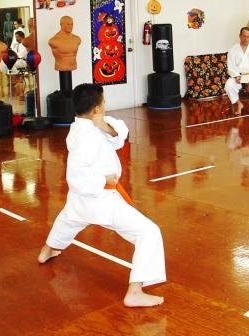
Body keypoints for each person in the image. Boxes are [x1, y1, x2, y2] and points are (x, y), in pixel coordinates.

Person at [38, 83, 166, 308]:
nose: (106, 105)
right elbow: (76, 177)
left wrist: (102, 124)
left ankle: (48, 250)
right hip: (101, 199)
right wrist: (104, 181)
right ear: (96, 109)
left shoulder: (81, 127)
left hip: (82, 202)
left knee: (69, 219)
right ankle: (135, 292)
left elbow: (119, 133)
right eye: (103, 103)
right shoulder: (88, 137)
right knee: (149, 233)